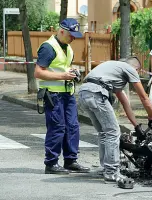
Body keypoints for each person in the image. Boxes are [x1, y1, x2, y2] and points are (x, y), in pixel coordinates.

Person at [78, 56, 152, 189]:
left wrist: (136, 126)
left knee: (104, 133)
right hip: (96, 93)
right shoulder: (129, 68)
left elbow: (125, 104)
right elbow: (144, 97)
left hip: (84, 93)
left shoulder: (113, 71)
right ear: (136, 69)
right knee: (113, 132)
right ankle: (112, 172)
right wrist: (151, 118)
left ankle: (105, 168)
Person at [34, 18, 90, 174]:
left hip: (67, 94)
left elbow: (64, 67)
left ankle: (71, 160)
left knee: (72, 126)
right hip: (52, 95)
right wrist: (63, 76)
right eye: (70, 35)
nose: (73, 38)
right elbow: (38, 72)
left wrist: (73, 72)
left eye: (74, 35)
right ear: (62, 31)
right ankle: (51, 163)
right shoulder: (48, 47)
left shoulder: (68, 48)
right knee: (57, 128)